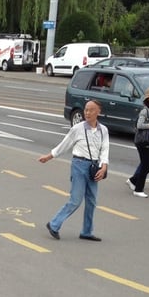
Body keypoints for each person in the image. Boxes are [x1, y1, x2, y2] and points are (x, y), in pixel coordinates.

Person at [38, 99, 109, 242]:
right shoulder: (77, 129)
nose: (87, 113)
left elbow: (105, 149)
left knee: (92, 201)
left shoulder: (103, 130)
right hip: (79, 165)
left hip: (94, 167)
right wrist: (49, 156)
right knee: (76, 200)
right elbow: (64, 145)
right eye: (86, 110)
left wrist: (104, 166)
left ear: (98, 112)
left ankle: (87, 231)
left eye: (91, 110)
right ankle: (54, 224)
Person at [125, 87, 149, 198]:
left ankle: (133, 180)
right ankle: (138, 189)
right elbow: (139, 125)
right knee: (146, 164)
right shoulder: (145, 110)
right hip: (143, 141)